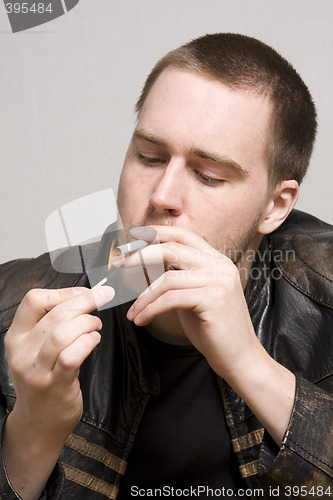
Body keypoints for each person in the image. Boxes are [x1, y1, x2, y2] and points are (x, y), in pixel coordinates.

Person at [0, 33, 332, 500]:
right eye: (149, 157)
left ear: (276, 205)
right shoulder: (13, 311)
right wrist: (33, 429)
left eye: (208, 175)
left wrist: (252, 368)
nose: (162, 197)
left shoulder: (325, 299)